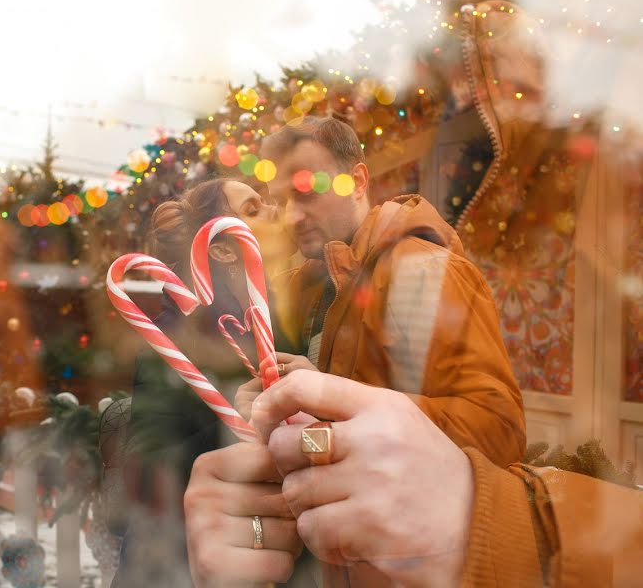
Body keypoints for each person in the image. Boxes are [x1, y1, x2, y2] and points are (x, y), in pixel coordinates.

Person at [236, 115, 526, 468]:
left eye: (307, 192)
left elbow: (498, 433)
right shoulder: (305, 284)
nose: (291, 217)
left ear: (357, 181)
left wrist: (331, 396)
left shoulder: (425, 272)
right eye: (281, 202)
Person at [185, 369, 643, 587]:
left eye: (310, 189)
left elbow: (501, 426)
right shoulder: (324, 287)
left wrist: (479, 518)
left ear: (357, 179)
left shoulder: (428, 264)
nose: (289, 210)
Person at [111, 177, 297, 587]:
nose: (273, 212)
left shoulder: (282, 319)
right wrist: (235, 423)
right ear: (223, 246)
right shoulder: (175, 336)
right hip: (184, 562)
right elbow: (145, 468)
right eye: (252, 209)